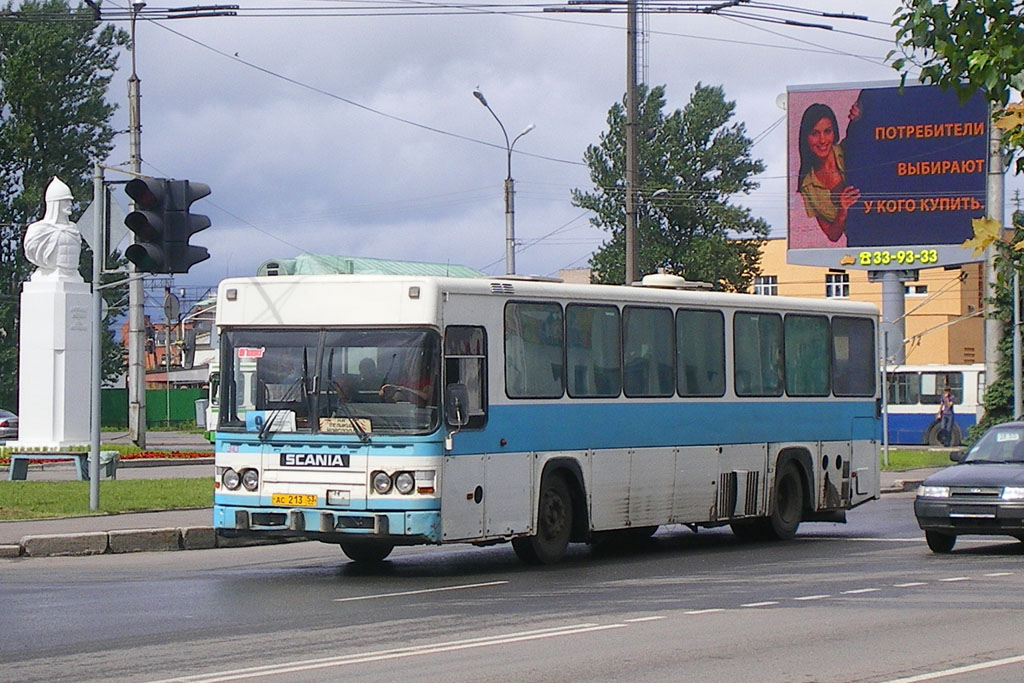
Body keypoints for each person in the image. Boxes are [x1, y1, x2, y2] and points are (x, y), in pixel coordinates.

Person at [797, 103, 861, 244]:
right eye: (815, 133)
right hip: (861, 243)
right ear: (805, 137)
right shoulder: (808, 187)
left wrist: (861, 119)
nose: (822, 140)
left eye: (827, 131)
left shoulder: (849, 148)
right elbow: (833, 235)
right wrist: (842, 211)